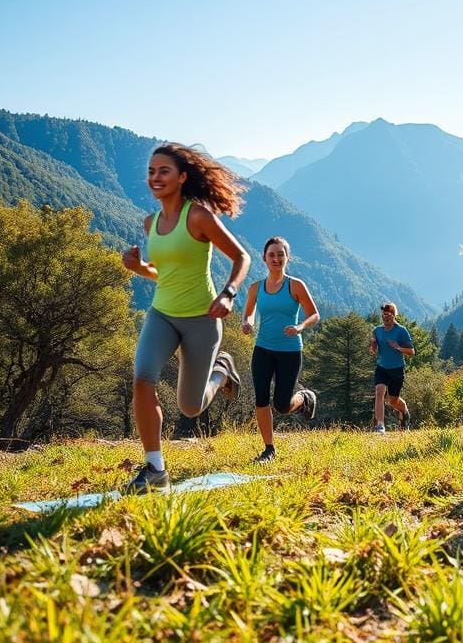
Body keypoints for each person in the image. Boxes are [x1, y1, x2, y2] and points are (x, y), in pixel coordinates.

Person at [121, 143, 251, 493]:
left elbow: (242, 258)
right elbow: (166, 273)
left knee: (190, 408)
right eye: (151, 171)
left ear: (182, 177)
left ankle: (222, 371)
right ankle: (155, 469)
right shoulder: (151, 223)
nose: (155, 177)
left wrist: (228, 293)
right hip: (162, 314)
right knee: (141, 380)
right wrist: (139, 268)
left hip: (201, 320)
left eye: (164, 171)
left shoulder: (198, 216)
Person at [241, 237, 319, 463]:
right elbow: (248, 313)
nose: (276, 259)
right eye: (271, 255)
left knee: (282, 405)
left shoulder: (295, 285)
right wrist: (247, 323)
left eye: (280, 254)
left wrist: (300, 326)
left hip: (290, 351)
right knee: (261, 398)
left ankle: (304, 398)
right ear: (264, 258)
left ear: (287, 258)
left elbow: (314, 314)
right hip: (263, 349)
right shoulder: (256, 288)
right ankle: (269, 449)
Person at [369, 302, 415, 433]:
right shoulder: (377, 330)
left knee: (392, 401)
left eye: (388, 315)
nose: (385, 318)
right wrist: (372, 347)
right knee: (379, 392)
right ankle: (380, 426)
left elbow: (411, 351)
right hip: (382, 367)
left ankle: (404, 411)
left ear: (394, 315)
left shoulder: (401, 331)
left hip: (397, 369)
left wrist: (399, 348)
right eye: (383, 315)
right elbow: (373, 344)